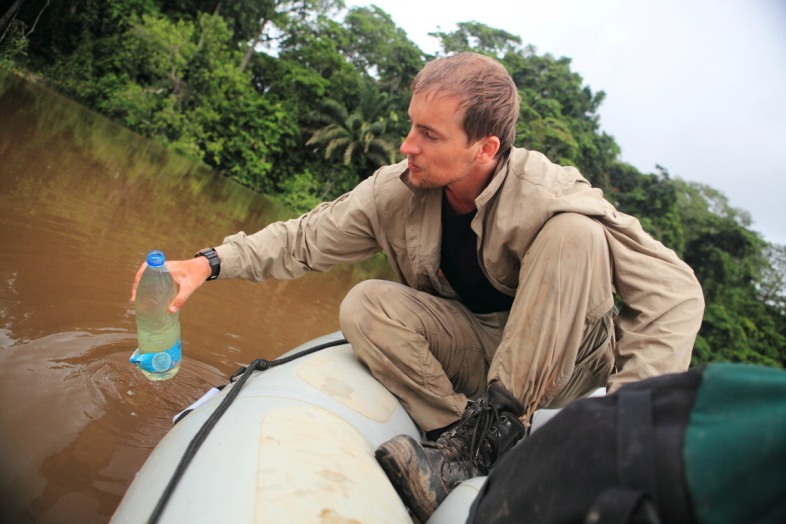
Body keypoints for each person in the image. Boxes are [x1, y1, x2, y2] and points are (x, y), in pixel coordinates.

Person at [132, 52, 704, 522]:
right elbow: (305, 239)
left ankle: (498, 430)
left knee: (575, 237)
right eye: (411, 125)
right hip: (481, 350)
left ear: (485, 149)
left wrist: (620, 423)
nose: (408, 144)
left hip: (567, 369)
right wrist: (207, 263)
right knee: (366, 303)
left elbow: (676, 293)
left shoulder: (550, 193)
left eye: (428, 134)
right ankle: (463, 435)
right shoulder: (398, 190)